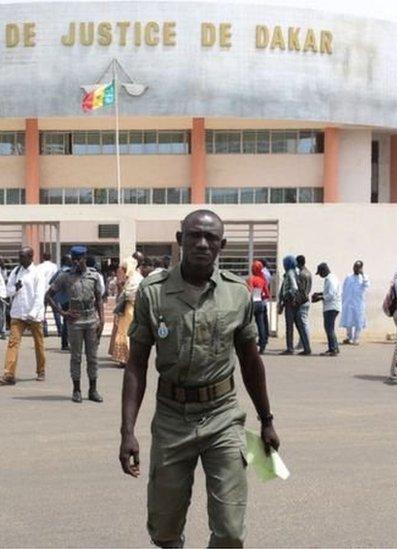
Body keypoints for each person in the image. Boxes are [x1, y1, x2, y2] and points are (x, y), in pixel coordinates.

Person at [119, 209, 280, 548]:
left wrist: (266, 420)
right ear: (180, 240)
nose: (202, 243)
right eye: (194, 235)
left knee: (231, 530)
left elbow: (251, 362)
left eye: (210, 238)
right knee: (163, 528)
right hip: (171, 418)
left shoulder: (236, 294)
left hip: (223, 417)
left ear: (222, 244)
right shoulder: (153, 292)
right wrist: (128, 431)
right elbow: (136, 365)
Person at [47, 245, 105, 403]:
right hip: (75, 321)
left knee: (92, 357)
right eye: (74, 260)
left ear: (85, 259)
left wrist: (102, 319)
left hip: (91, 320)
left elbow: (99, 299)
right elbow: (49, 295)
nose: (76, 263)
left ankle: (93, 390)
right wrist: (63, 313)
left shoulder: (94, 276)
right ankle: (76, 389)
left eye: (79, 259)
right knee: (76, 357)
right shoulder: (65, 277)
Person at [0, 246, 48, 385]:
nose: (19, 259)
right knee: (13, 343)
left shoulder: (37, 273)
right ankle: (9, 374)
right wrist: (15, 288)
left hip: (34, 315)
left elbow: (39, 296)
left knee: (39, 344)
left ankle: (41, 370)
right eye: (19, 256)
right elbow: (8, 291)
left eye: (22, 257)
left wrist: (32, 313)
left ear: (31, 257)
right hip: (18, 313)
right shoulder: (16, 271)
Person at [110, 257, 142, 365]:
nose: (123, 270)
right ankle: (124, 358)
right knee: (123, 332)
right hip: (126, 308)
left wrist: (122, 290)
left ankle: (127, 359)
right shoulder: (131, 278)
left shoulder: (136, 279)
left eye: (125, 268)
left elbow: (129, 294)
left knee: (127, 333)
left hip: (131, 309)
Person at [278, 255, 311, 355]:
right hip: (295, 302)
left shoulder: (290, 273)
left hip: (291, 302)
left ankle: (290, 348)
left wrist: (287, 296)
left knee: (290, 326)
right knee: (299, 325)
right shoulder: (295, 272)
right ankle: (306, 348)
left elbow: (294, 287)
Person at [312, 262, 341, 356]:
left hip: (331, 307)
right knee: (329, 328)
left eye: (320, 273)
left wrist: (320, 298)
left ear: (324, 271)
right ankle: (333, 347)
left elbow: (331, 294)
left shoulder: (330, 279)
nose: (320, 275)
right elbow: (329, 292)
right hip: (332, 306)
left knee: (329, 328)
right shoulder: (332, 277)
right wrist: (320, 294)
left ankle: (333, 349)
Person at [340, 260, 369, 345]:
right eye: (354, 266)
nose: (355, 268)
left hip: (359, 303)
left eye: (357, 267)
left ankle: (356, 338)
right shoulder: (348, 277)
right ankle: (349, 338)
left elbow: (366, 285)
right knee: (348, 320)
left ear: (361, 268)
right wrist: (343, 300)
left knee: (358, 321)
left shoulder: (364, 278)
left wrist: (363, 274)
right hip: (348, 302)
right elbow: (344, 288)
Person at [247, 260, 271, 354]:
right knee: (261, 325)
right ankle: (263, 345)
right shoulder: (262, 280)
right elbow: (267, 295)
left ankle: (249, 344)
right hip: (260, 303)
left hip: (252, 303)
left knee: (248, 325)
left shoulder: (251, 279)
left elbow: (249, 291)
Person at [36, 252, 59, 337]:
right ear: (50, 257)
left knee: (43, 312)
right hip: (53, 290)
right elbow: (57, 278)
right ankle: (60, 330)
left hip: (42, 291)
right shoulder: (54, 266)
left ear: (43, 258)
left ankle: (44, 331)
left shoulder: (39, 267)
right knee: (56, 310)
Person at [296, 255, 313, 346]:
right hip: (306, 299)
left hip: (302, 300)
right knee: (304, 322)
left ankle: (304, 343)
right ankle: (302, 343)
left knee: (303, 323)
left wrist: (297, 300)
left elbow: (301, 289)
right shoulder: (308, 273)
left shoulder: (302, 274)